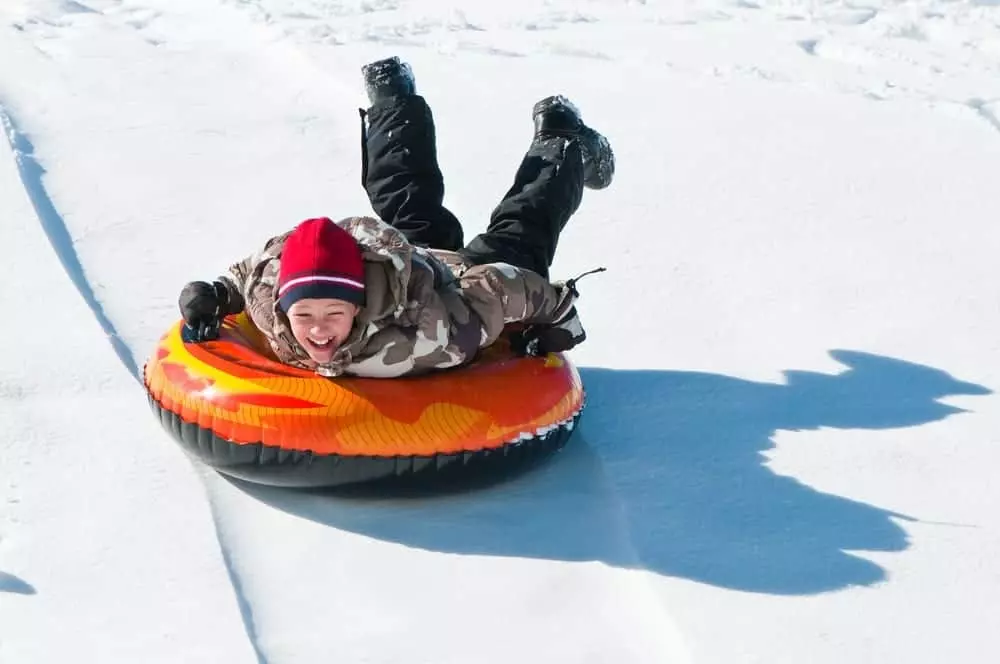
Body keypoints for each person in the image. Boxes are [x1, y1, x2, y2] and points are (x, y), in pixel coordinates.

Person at [177, 56, 615, 378]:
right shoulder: (269, 304)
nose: (319, 330)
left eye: (333, 312)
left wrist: (560, 316)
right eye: (304, 314)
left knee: (522, 229)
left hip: (462, 285)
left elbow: (500, 288)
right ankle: (393, 99)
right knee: (402, 198)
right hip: (407, 258)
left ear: (358, 305)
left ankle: (562, 136)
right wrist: (213, 294)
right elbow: (253, 274)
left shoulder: (432, 334)